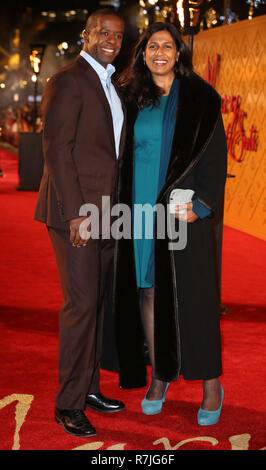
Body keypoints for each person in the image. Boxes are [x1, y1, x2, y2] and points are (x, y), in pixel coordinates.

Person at [114, 22, 227, 426]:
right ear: (143, 54)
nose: (159, 51)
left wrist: (203, 203)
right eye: (151, 46)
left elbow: (216, 157)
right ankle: (160, 376)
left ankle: (211, 382)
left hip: (181, 213)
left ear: (179, 53)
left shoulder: (201, 98)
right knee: (148, 292)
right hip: (138, 211)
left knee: (194, 297)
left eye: (167, 46)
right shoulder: (132, 97)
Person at [34, 8, 126, 437]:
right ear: (86, 34)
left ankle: (88, 388)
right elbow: (56, 151)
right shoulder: (68, 80)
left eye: (118, 36)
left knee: (97, 306)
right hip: (78, 216)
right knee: (81, 306)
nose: (111, 41)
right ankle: (67, 404)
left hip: (109, 213)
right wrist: (75, 215)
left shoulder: (109, 83)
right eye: (103, 33)